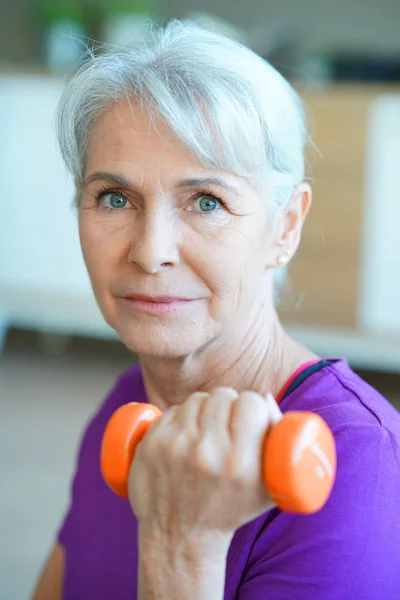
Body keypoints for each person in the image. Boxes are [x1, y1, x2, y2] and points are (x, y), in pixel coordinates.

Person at [32, 19, 400, 600]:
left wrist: (184, 551)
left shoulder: (362, 465)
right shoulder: (128, 400)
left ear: (286, 225)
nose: (151, 252)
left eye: (206, 201)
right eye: (115, 197)